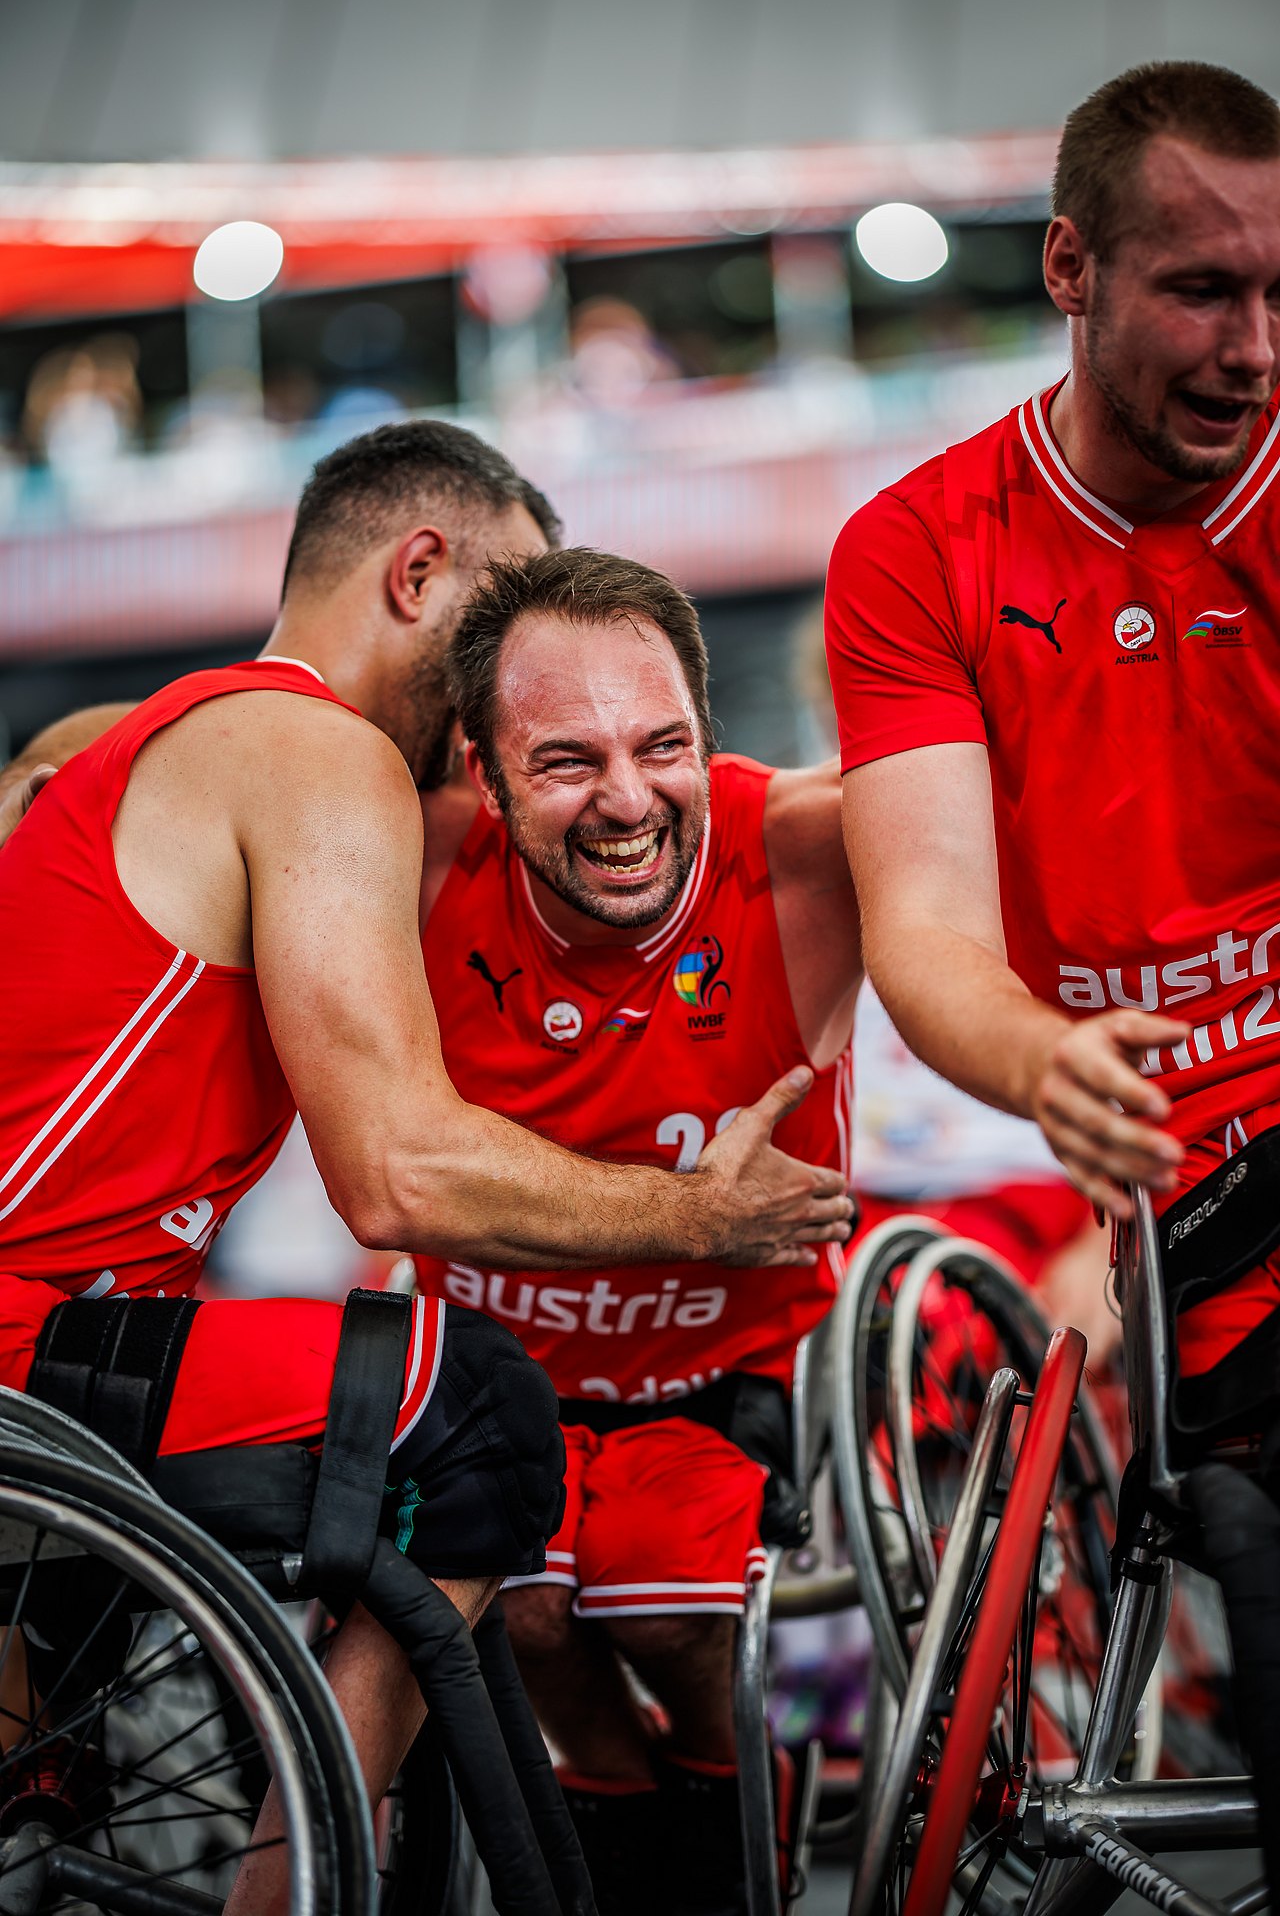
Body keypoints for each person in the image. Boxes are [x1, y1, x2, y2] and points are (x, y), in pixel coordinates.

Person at [0, 421, 851, 1912]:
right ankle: (299, 1882)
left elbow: (52, 753)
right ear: (422, 573)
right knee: (475, 1417)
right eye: (506, 612)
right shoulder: (318, 752)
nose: (509, 677)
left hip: (76, 1343)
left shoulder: (170, 737)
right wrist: (697, 1211)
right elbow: (393, 1176)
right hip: (45, 1336)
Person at [825, 54, 1280, 1890]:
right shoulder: (920, 555)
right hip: (1198, 1222)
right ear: (1071, 268)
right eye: (1202, 289)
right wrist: (1048, 1061)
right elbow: (927, 936)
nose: (1254, 349)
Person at [400, 544, 860, 1914]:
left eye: (662, 746)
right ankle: (650, 1860)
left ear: (706, 736)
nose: (627, 799)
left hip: (732, 1373)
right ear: (481, 771)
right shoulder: (408, 862)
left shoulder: (801, 846)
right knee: (529, 1613)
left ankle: (736, 1840)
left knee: (661, 1609)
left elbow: (1020, 773)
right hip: (502, 1375)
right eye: (566, 760)